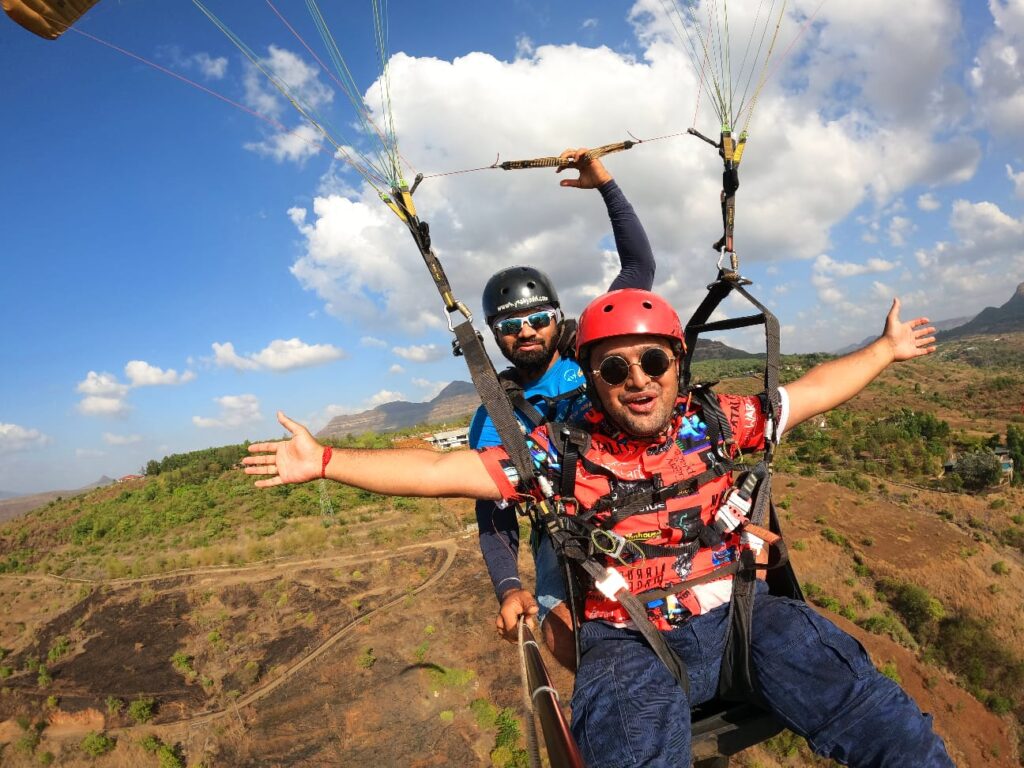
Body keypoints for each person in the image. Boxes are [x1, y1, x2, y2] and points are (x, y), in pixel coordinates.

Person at [242, 289, 952, 767]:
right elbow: (443, 475)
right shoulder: (558, 453)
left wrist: (884, 351)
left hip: (742, 618)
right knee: (627, 741)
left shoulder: (719, 421)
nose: (637, 379)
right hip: (631, 640)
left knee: (875, 712)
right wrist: (328, 461)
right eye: (615, 368)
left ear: (679, 363)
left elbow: (813, 390)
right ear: (592, 377)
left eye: (653, 361)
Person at [471, 147, 655, 669]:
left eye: (536, 318)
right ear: (494, 336)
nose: (525, 331)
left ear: (558, 318)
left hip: (639, 494)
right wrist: (508, 588)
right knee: (565, 639)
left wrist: (606, 186)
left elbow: (639, 267)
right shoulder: (495, 417)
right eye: (509, 325)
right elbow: (494, 513)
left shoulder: (591, 346)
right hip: (564, 527)